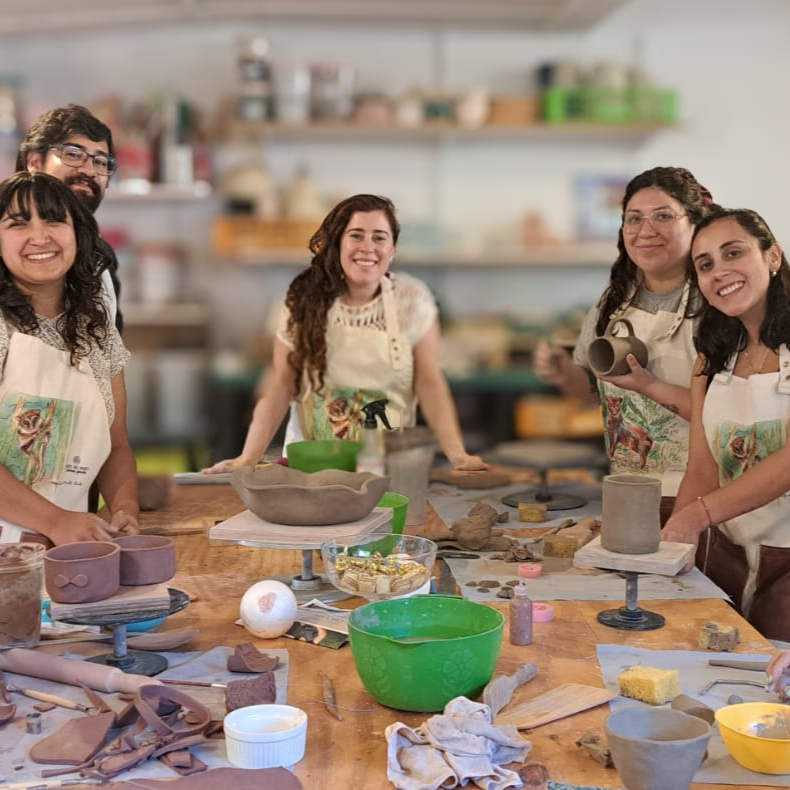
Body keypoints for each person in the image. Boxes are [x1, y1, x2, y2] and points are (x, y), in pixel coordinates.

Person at [204, 193, 486, 473]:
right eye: (356, 236)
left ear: (393, 250)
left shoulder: (412, 300)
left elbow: (430, 383)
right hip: (312, 466)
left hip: (388, 467)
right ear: (338, 242)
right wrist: (248, 458)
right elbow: (281, 384)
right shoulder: (303, 300)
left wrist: (457, 454)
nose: (368, 247)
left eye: (379, 237)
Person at [533, 166, 714, 521]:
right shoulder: (613, 301)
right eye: (634, 218)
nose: (646, 230)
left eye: (663, 216)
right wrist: (565, 374)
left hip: (702, 496)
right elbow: (599, 397)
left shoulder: (719, 301)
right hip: (627, 489)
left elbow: (735, 418)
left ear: (696, 223)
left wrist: (651, 386)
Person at [17, 104, 173, 511]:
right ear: (33, 162)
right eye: (73, 154)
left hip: (71, 500)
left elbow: (102, 395)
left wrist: (121, 496)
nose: (88, 169)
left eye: (101, 161)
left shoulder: (101, 265)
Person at [662, 208, 790, 642]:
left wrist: (698, 515)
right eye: (705, 265)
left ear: (772, 256)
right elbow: (702, 468)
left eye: (733, 253)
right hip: (730, 555)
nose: (720, 272)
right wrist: (675, 548)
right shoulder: (712, 358)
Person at [0, 171, 139, 545]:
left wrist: (124, 509)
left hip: (65, 553)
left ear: (77, 232)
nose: (40, 237)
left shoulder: (96, 329)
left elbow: (116, 445)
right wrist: (56, 521)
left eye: (54, 220)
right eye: (18, 224)